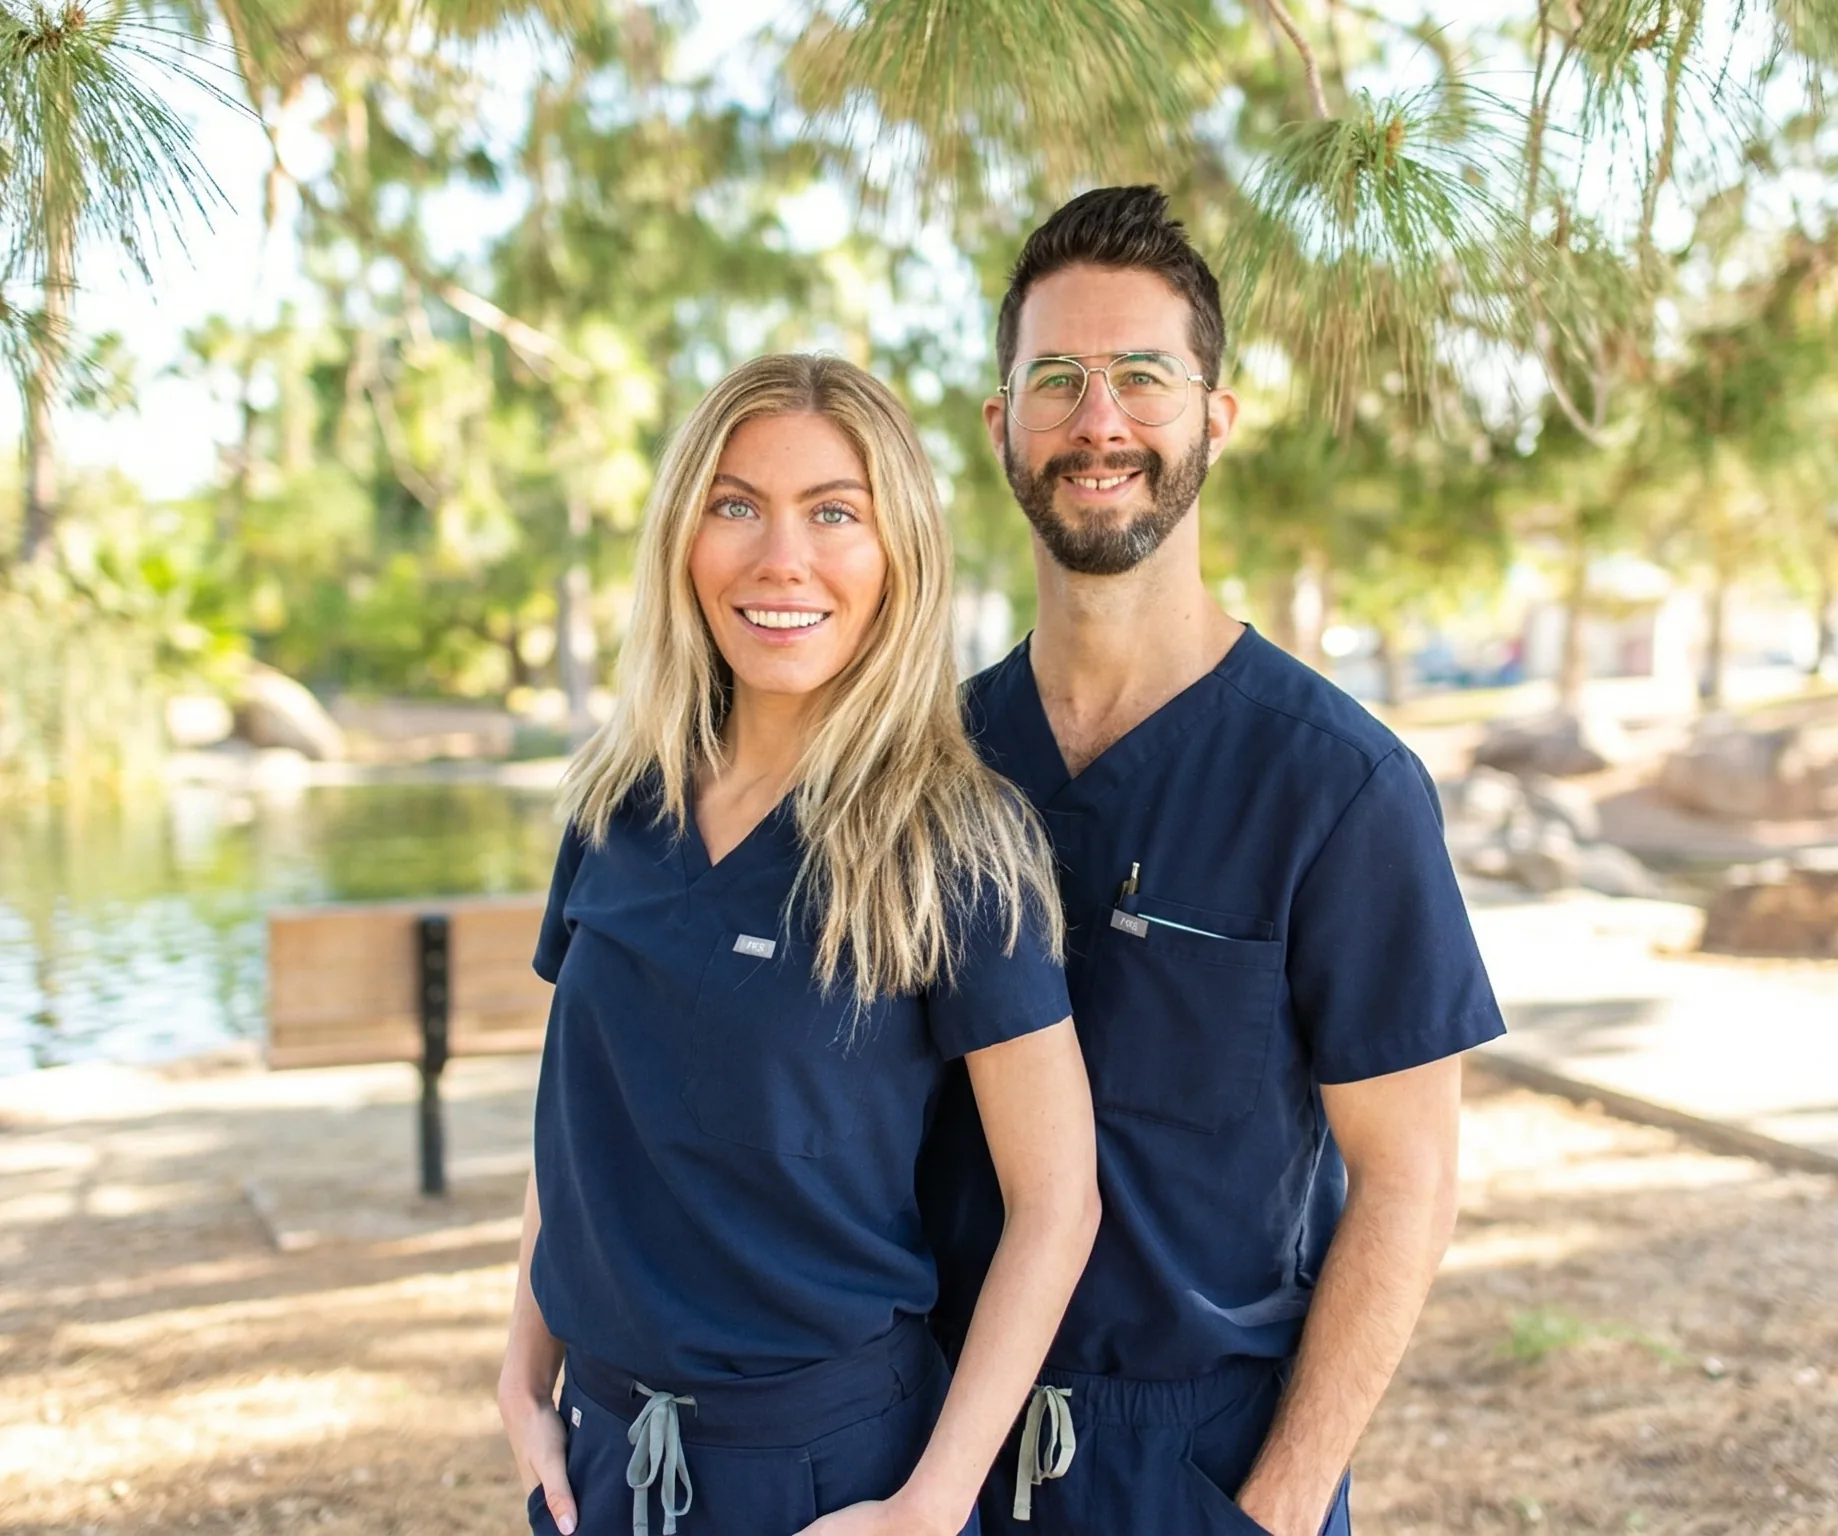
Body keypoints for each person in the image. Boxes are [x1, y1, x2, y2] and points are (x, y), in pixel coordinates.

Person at [921, 187, 1508, 1535]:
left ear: (1216, 419)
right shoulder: (932, 767)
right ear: (1001, 421)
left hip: (1197, 1469)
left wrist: (1283, 1504)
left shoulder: (1340, 786)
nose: (1099, 419)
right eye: (1056, 378)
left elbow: (1409, 1180)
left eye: (1144, 377)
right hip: (931, 1451)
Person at [499, 354, 1101, 1536]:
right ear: (683, 537)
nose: (783, 559)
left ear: (899, 555)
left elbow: (1057, 1202)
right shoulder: (613, 806)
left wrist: (929, 1505)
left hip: (830, 1470)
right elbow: (576, 1123)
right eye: (736, 506)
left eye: (836, 512)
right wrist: (523, 1372)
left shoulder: (954, 845)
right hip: (605, 1457)